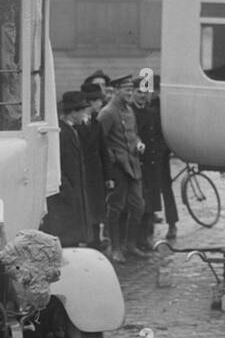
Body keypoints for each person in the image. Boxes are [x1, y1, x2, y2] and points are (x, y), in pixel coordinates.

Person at [98, 73, 146, 262]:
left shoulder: (130, 110)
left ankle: (130, 244)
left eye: (131, 90)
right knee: (116, 207)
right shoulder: (107, 113)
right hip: (117, 167)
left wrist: (139, 143)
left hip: (132, 165)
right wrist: (111, 159)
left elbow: (134, 134)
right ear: (116, 91)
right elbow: (100, 142)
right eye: (126, 90)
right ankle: (115, 247)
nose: (130, 93)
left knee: (138, 205)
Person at [41, 90, 89, 247]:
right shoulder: (62, 133)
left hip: (72, 191)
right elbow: (57, 163)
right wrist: (67, 189)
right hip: (65, 194)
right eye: (82, 111)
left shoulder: (71, 130)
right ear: (73, 113)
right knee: (65, 234)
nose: (84, 115)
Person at [134, 81, 175, 250]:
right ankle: (139, 238)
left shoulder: (153, 112)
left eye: (146, 92)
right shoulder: (131, 112)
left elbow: (160, 135)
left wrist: (158, 153)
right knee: (140, 200)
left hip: (155, 161)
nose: (143, 95)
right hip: (139, 161)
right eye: (139, 92)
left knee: (153, 199)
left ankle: (150, 234)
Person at [74, 81, 113, 248]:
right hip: (82, 173)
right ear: (89, 103)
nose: (101, 104)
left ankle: (96, 240)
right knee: (86, 207)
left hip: (96, 173)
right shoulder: (76, 125)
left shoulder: (96, 123)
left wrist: (108, 175)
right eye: (97, 101)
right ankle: (88, 240)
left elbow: (104, 150)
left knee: (97, 207)